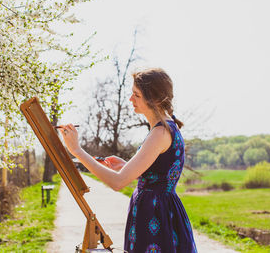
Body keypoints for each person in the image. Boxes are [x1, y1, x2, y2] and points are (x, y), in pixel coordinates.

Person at [58, 68, 197, 253]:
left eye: (136, 95)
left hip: (155, 217)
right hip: (160, 212)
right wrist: (126, 166)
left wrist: (76, 150)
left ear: (154, 99)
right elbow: (159, 173)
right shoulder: (166, 128)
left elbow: (118, 182)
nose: (131, 99)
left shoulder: (160, 132)